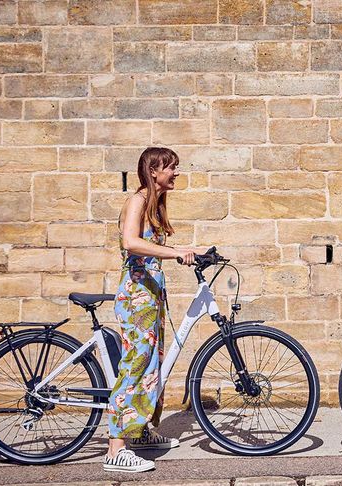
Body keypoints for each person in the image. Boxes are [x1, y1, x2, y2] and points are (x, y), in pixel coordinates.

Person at [103, 147, 201, 473]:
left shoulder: (155, 207)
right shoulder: (137, 202)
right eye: (171, 167)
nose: (176, 172)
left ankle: (141, 432)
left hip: (150, 299)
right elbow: (131, 242)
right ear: (154, 169)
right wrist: (174, 253)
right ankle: (116, 449)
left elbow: (157, 249)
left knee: (151, 368)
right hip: (136, 300)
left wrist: (194, 250)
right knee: (135, 367)